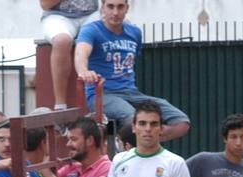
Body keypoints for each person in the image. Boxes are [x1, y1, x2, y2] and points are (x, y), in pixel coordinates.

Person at [74, 0, 191, 140]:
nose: (115, 12)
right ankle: (129, 148)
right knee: (133, 119)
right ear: (102, 8)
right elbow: (81, 52)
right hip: (102, 94)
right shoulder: (91, 30)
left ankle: (146, 145)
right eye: (110, 7)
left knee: (181, 123)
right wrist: (83, 71)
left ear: (127, 8)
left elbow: (133, 59)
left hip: (131, 92)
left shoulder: (134, 32)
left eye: (120, 7)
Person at [41, 0, 101, 110]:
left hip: (92, 14)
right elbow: (45, 4)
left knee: (120, 24)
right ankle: (60, 105)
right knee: (61, 41)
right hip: (57, 16)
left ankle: (110, 96)